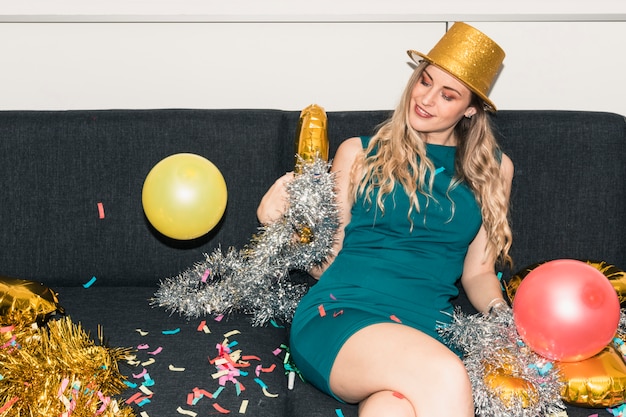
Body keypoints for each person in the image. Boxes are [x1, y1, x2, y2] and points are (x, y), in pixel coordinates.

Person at [257, 22, 514, 417]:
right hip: (343, 314)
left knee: (391, 408)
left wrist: (503, 320)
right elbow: (329, 258)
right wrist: (279, 228)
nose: (426, 99)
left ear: (471, 109)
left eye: (448, 95)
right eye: (424, 81)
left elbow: (478, 273)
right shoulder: (358, 153)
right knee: (445, 376)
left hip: (429, 328)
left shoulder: (494, 170)